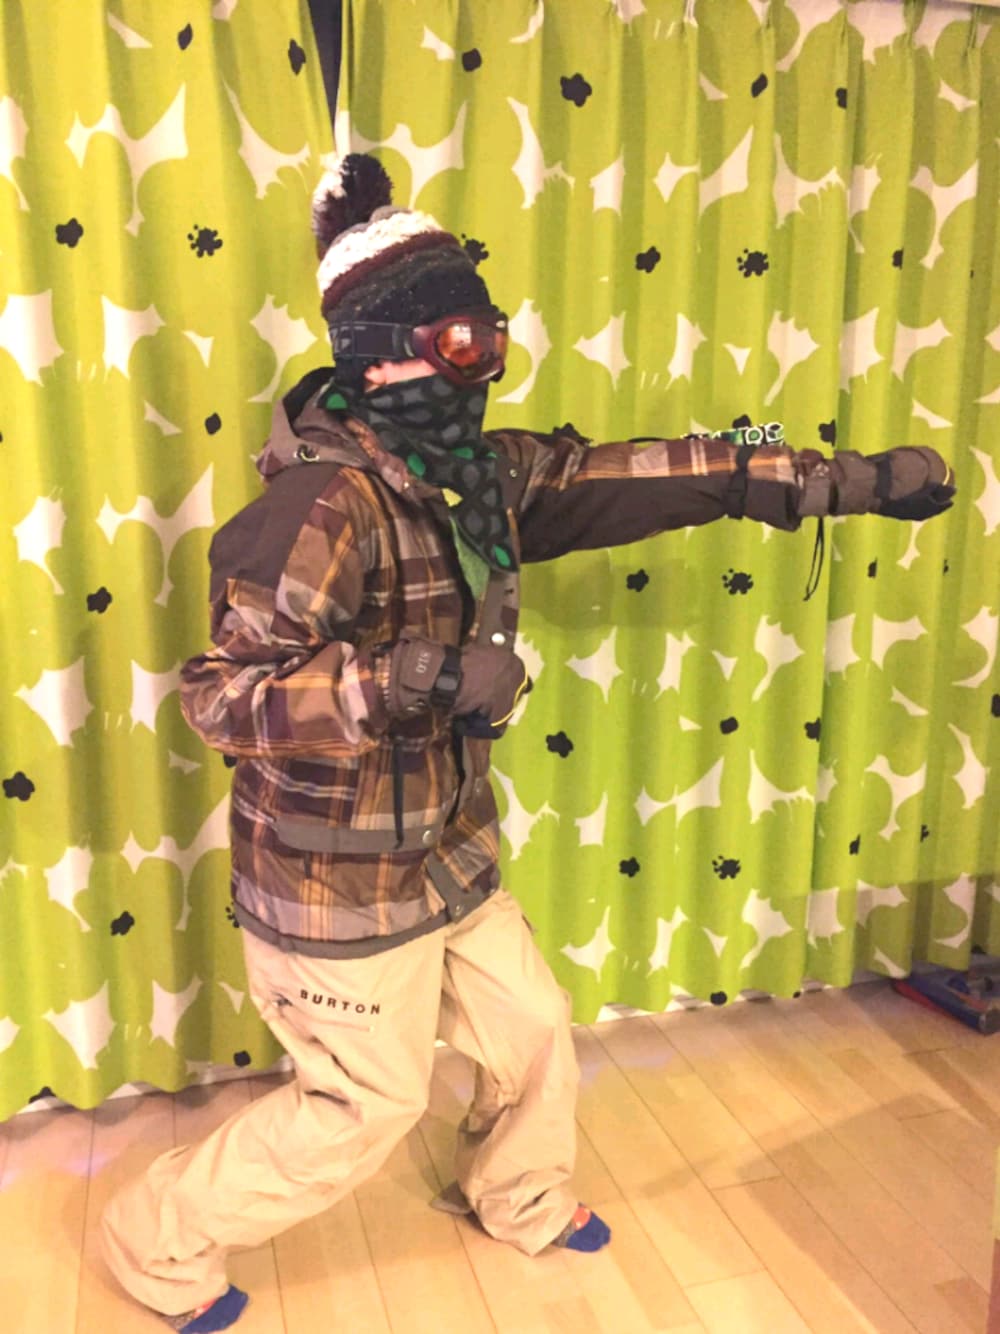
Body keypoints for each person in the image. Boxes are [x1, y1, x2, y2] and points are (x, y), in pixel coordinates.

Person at [100, 153, 954, 1332]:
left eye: (490, 338)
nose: (485, 367)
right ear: (378, 357)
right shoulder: (316, 512)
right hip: (334, 883)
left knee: (535, 1030)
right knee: (362, 1107)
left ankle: (518, 1192)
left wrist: (826, 480)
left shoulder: (473, 479)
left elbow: (635, 467)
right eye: (458, 343)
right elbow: (220, 696)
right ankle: (152, 1236)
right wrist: (412, 676)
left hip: (448, 846)